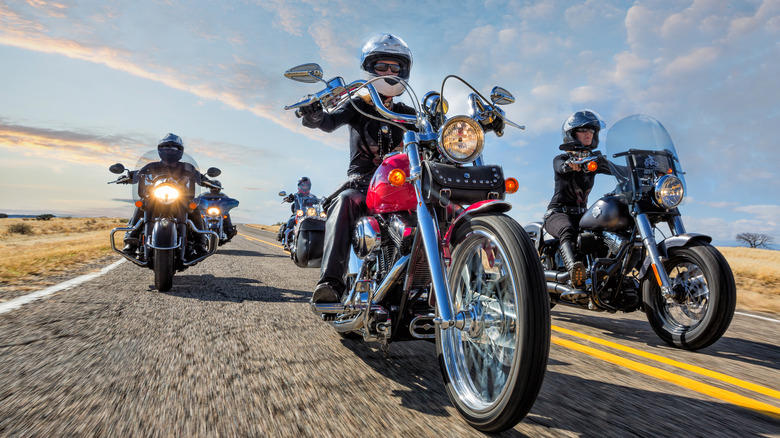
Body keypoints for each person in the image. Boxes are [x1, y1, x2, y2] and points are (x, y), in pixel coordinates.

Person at [298, 33, 416, 303]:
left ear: (403, 72)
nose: (388, 72)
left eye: (394, 68)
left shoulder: (409, 113)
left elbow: (432, 132)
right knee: (345, 202)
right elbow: (328, 122)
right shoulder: (357, 105)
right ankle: (331, 282)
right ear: (370, 70)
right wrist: (314, 113)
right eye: (381, 67)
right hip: (363, 183)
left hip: (403, 186)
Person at [544, 110, 611, 287]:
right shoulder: (561, 158)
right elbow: (560, 167)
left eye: (591, 131)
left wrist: (639, 168)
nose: (589, 134)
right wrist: (569, 165)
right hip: (557, 213)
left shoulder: (594, 161)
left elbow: (617, 169)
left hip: (583, 216)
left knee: (605, 235)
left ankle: (604, 276)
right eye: (583, 130)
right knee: (567, 229)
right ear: (572, 135)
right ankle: (575, 271)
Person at [122, 133, 210, 256]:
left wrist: (207, 181)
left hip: (181, 198)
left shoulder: (187, 167)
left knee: (194, 209)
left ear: (180, 150)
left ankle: (200, 243)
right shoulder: (152, 166)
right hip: (155, 196)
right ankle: (131, 242)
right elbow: (139, 173)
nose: (169, 150)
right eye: (166, 147)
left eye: (174, 147)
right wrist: (128, 175)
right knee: (141, 205)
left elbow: (199, 176)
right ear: (160, 149)